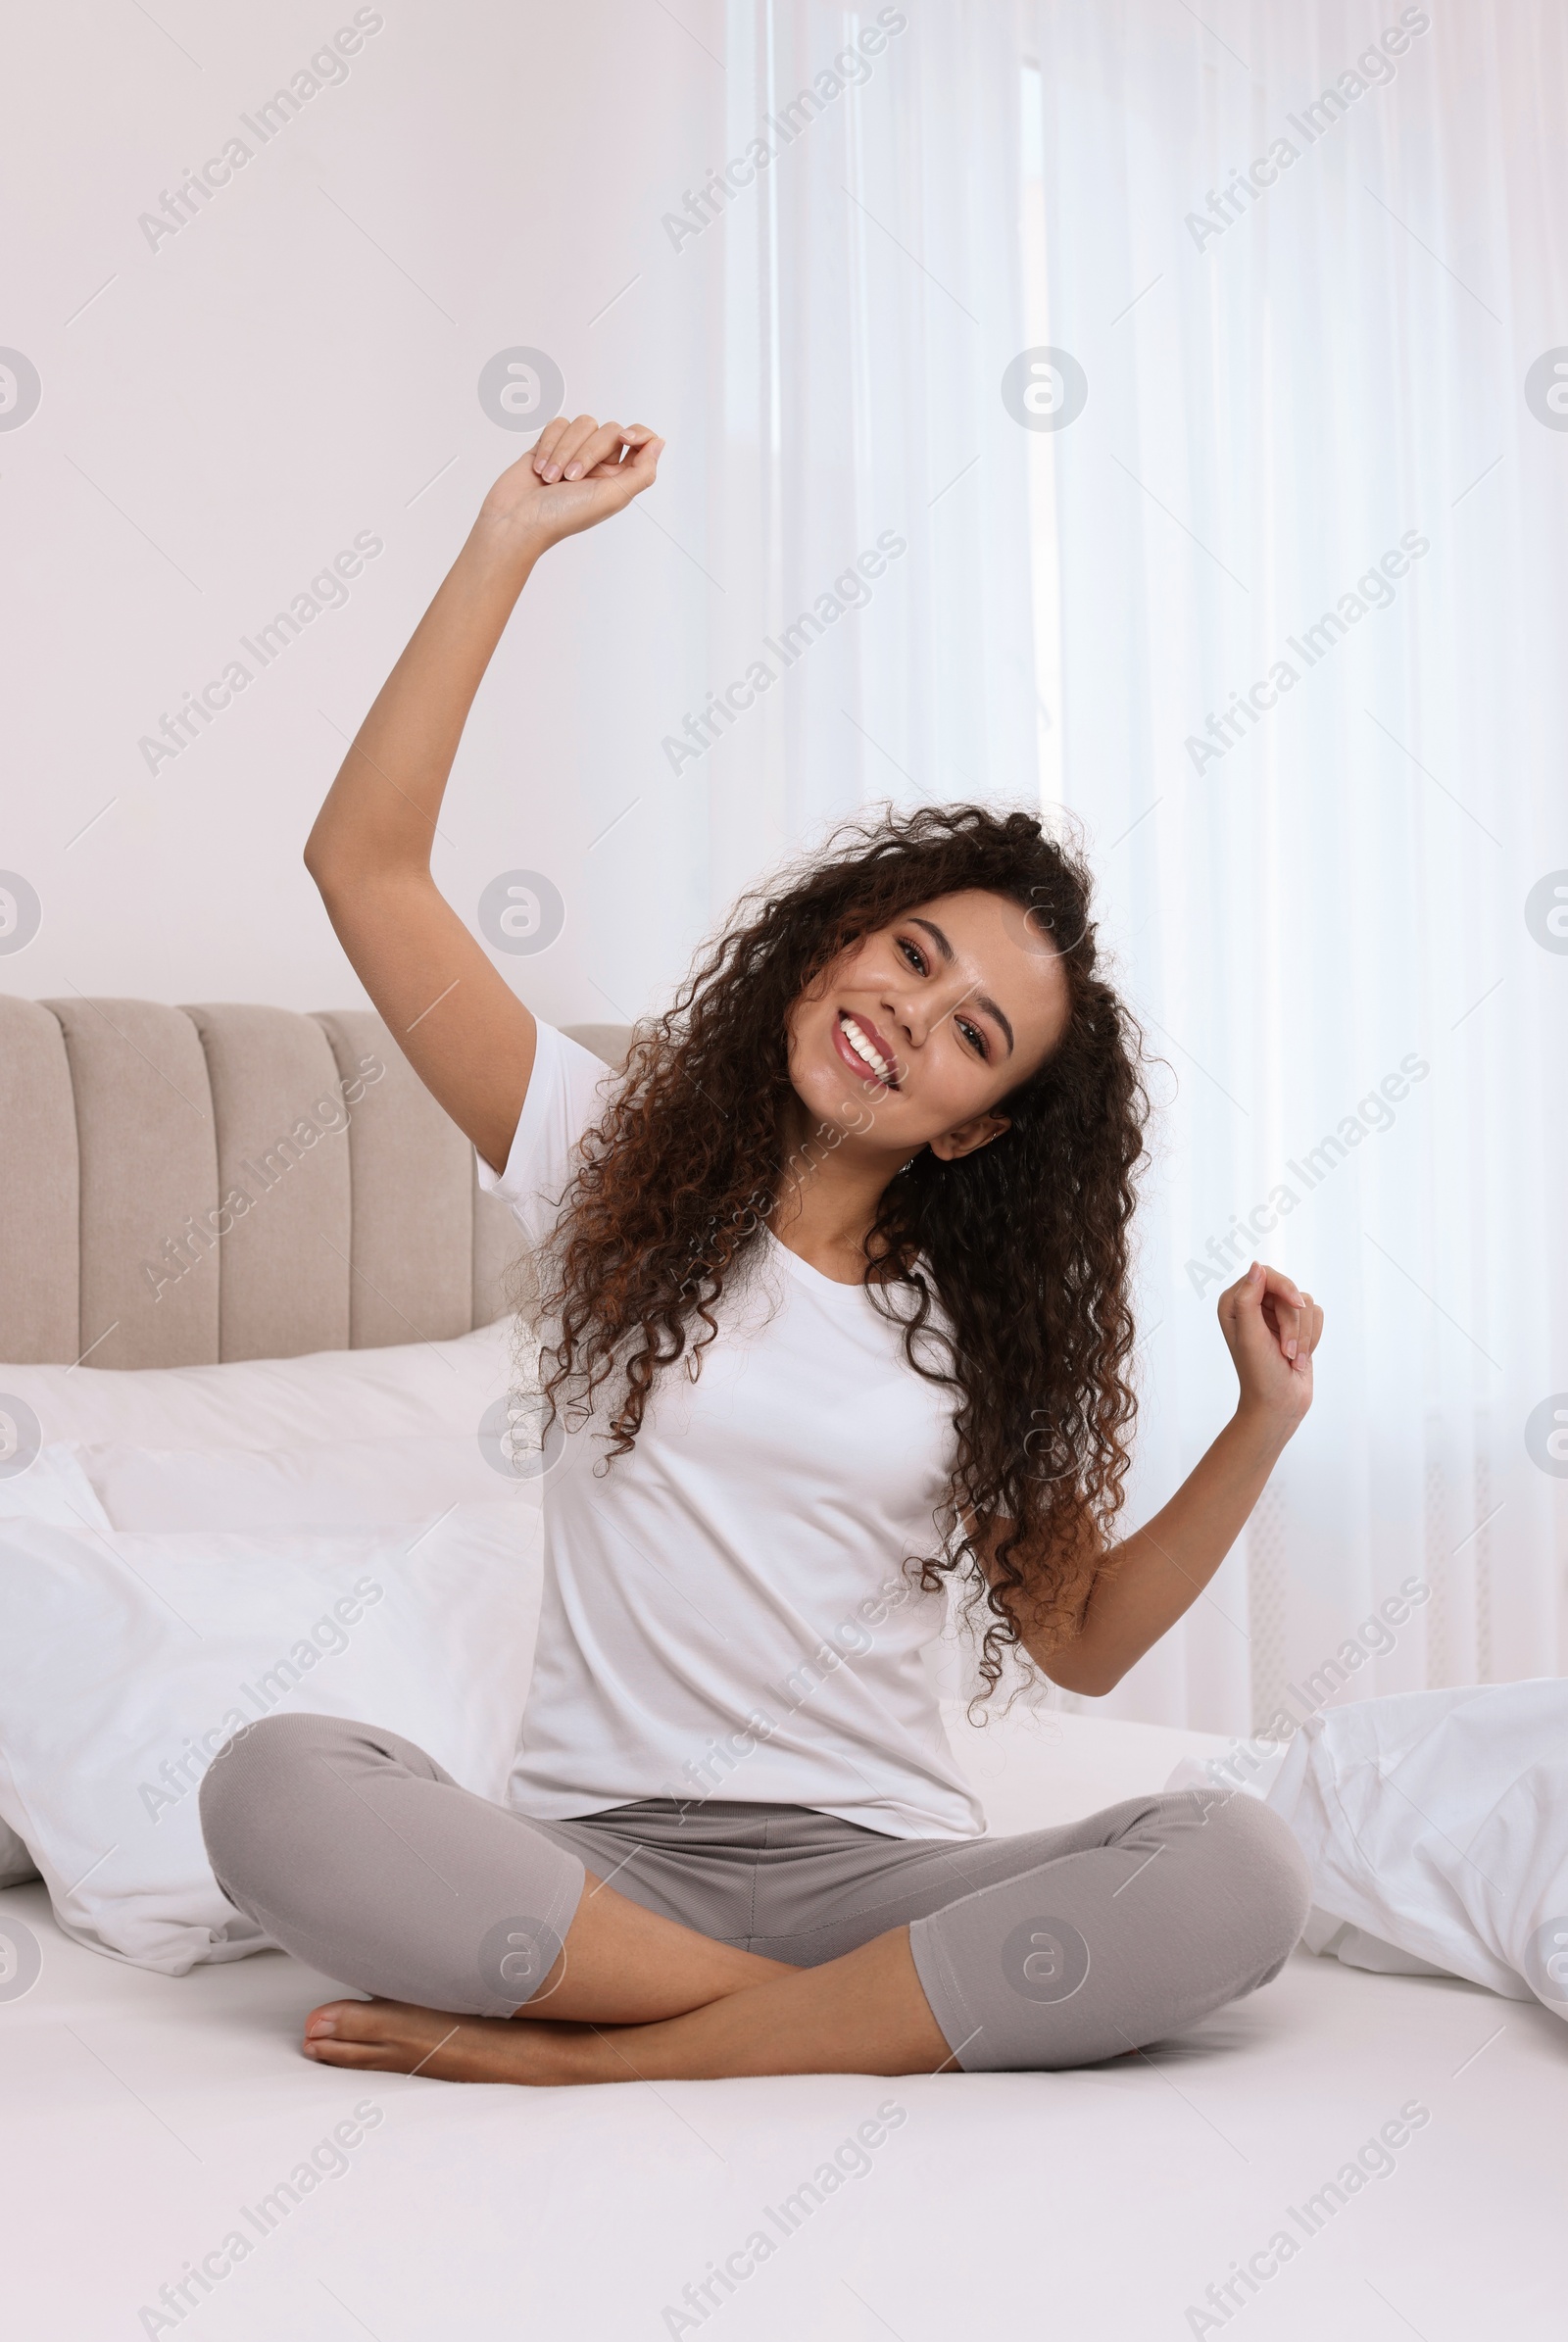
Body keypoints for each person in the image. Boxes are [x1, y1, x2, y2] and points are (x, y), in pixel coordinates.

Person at [201, 414, 1320, 2085]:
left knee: (1236, 1868)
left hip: (881, 1875)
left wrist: (1261, 1427)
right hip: (602, 1865)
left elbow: (1081, 1641)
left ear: (972, 1125)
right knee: (272, 1782)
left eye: (970, 1033)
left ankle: (620, 2050)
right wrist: (506, 541)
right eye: (911, 953)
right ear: (830, 945)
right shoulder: (603, 1162)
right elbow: (362, 865)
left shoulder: (973, 1332)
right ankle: (791, 2022)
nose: (909, 1014)